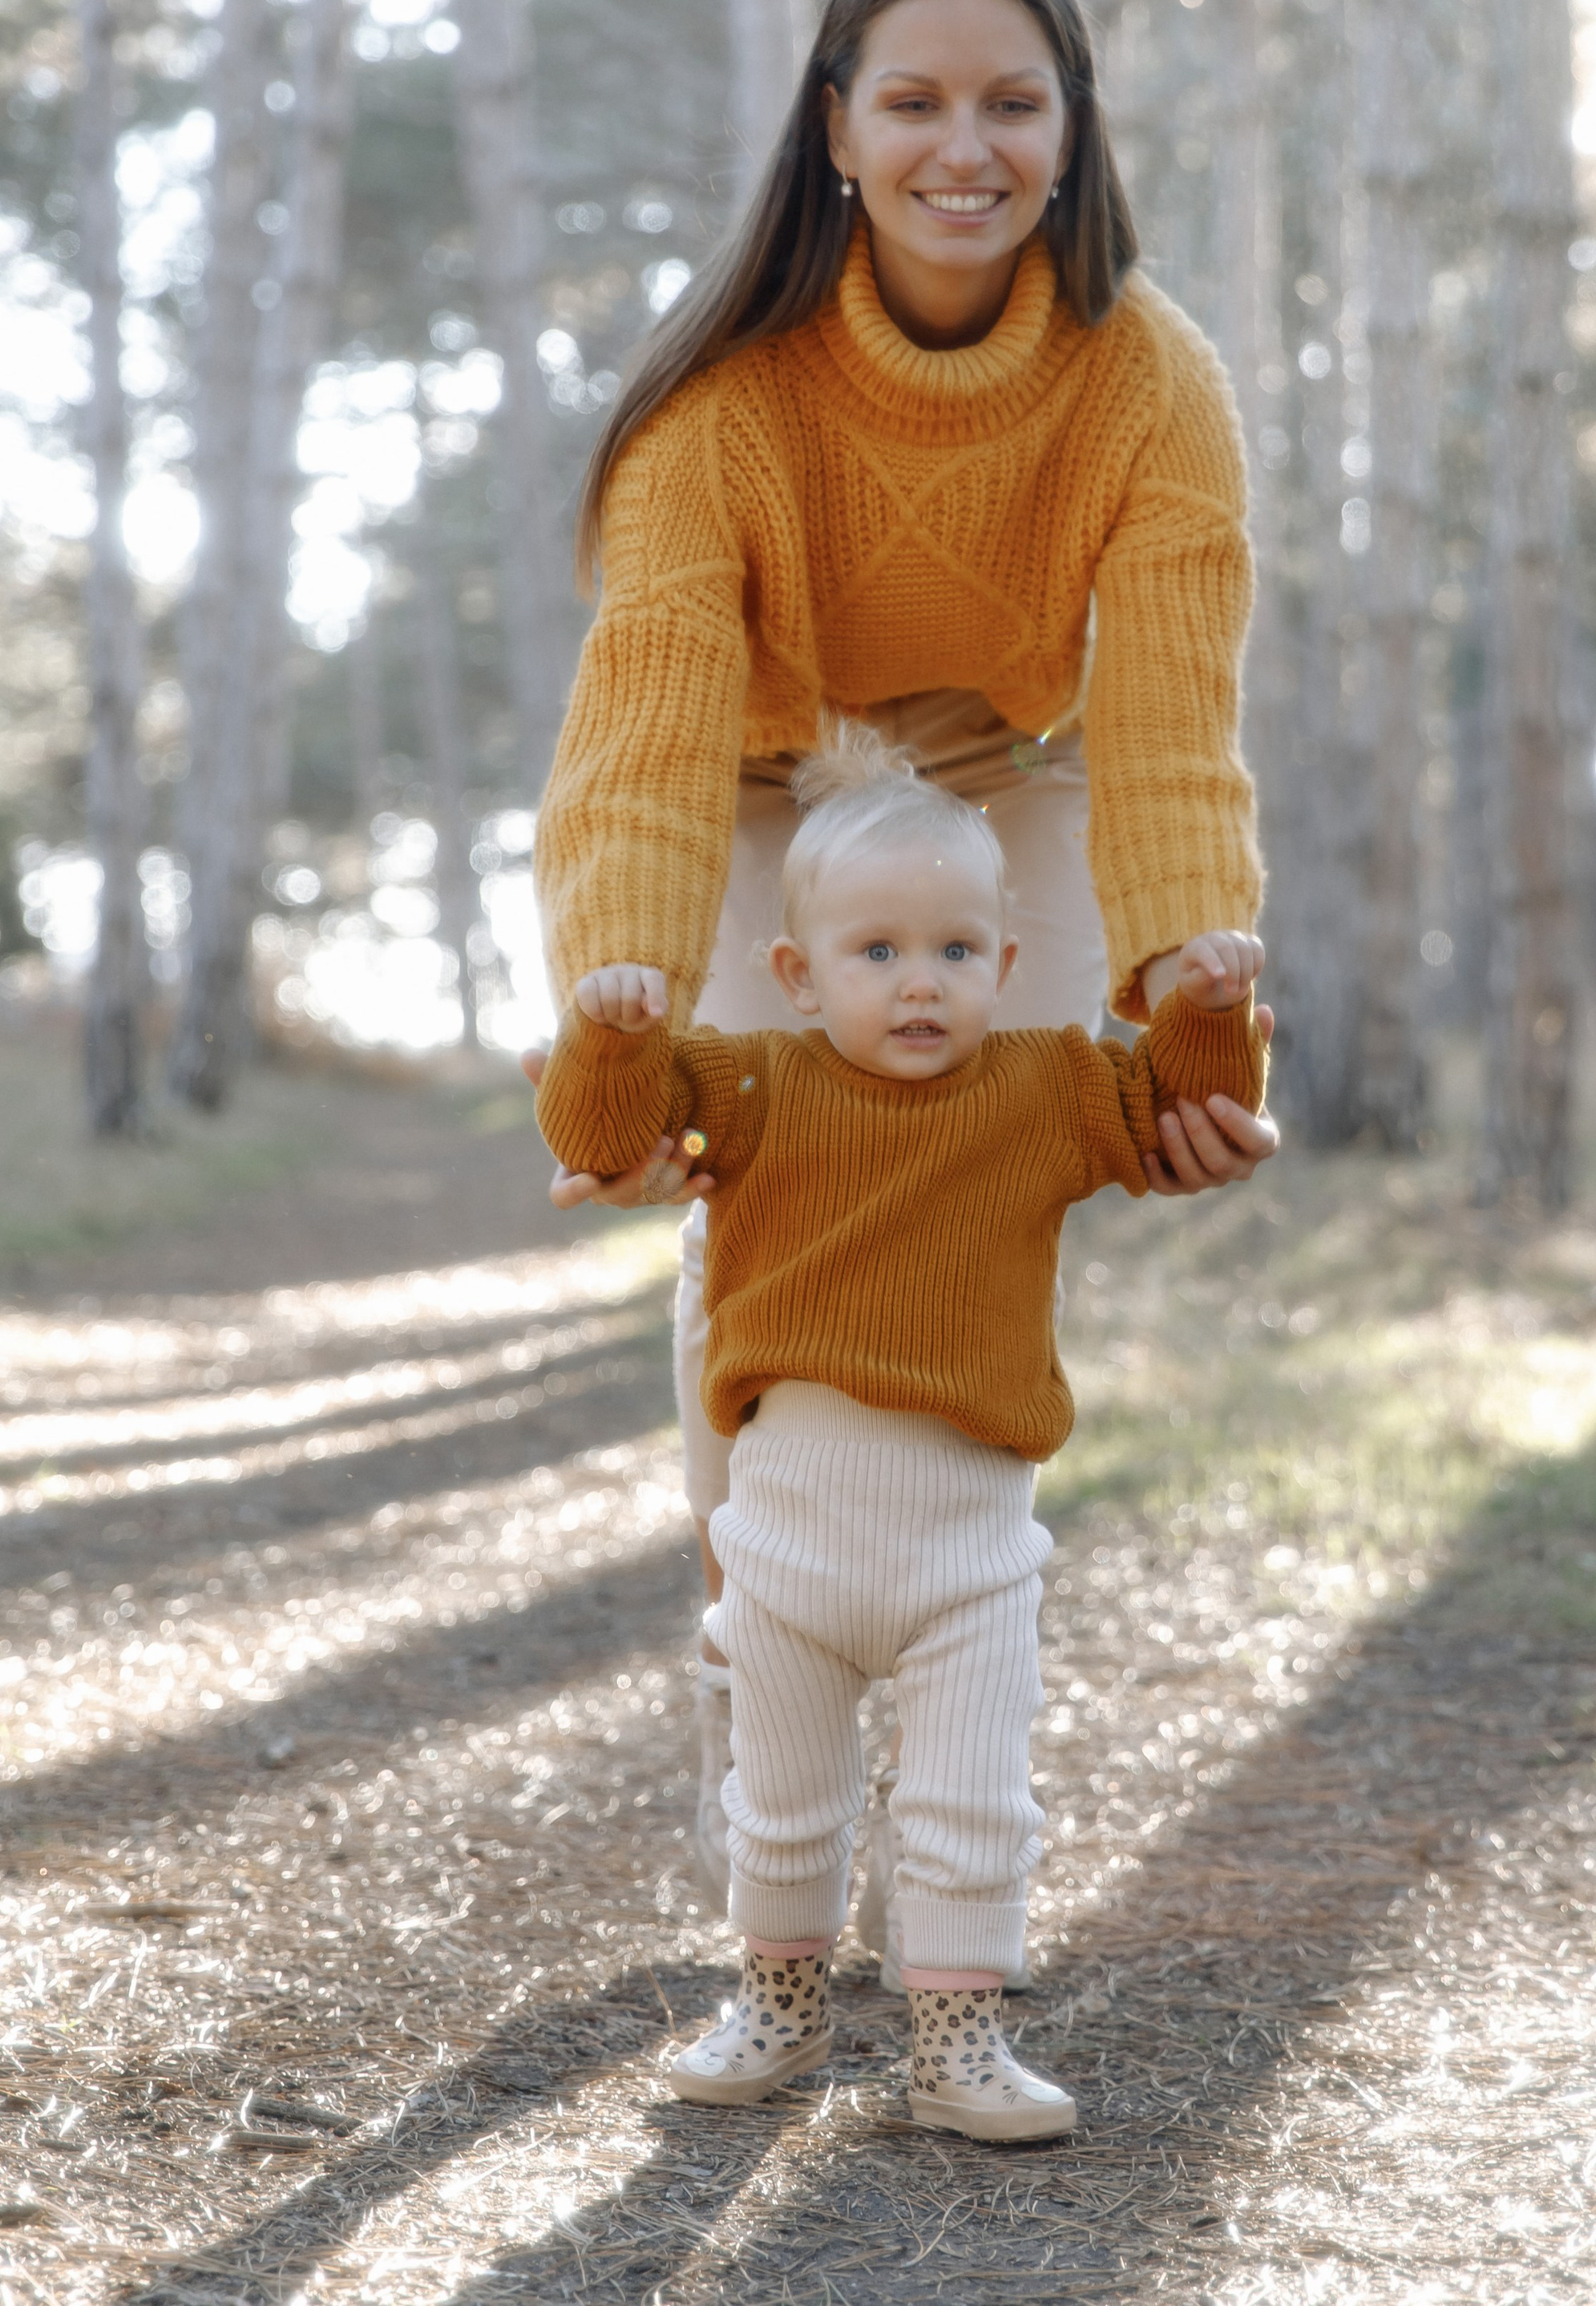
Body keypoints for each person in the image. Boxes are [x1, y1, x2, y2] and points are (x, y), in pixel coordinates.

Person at [521, 0, 1276, 1912]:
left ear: (1068, 127)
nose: (968, 145)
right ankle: (749, 1676)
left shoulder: (1148, 381)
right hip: (758, 781)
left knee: (975, 1154)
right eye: (917, 100)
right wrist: (617, 992)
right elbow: (653, 726)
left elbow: (1171, 723)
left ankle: (948, 1689)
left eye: (1010, 102)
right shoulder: (721, 405)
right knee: (756, 1182)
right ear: (837, 131)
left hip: (998, 779)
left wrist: (1195, 977)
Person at [533, 729, 1266, 2138]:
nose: (917, 980)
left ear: (1004, 961)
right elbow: (599, 1126)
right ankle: (780, 2005)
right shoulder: (753, 1085)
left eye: (952, 950)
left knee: (970, 1800)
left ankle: (957, 2042)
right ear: (797, 974)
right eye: (875, 953)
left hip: (968, 1545)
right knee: (784, 1797)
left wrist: (1209, 1008)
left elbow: (1178, 1106)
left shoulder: (1049, 1085)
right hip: (790, 1529)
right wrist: (611, 1031)